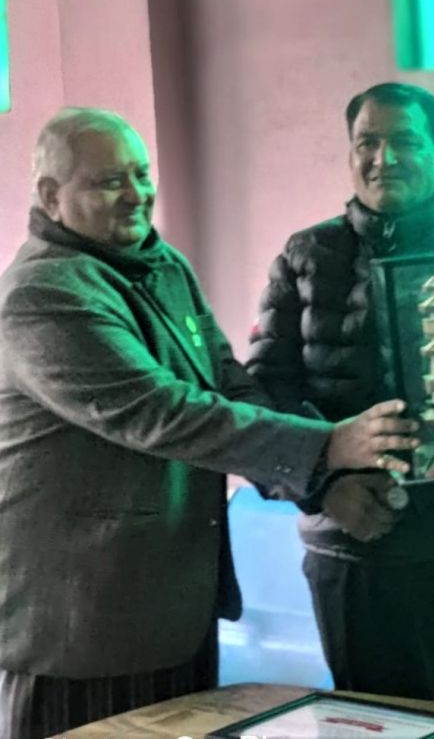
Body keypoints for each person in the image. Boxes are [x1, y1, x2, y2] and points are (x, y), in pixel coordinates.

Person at [0, 107, 411, 738]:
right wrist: (332, 443)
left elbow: (228, 384)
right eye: (109, 181)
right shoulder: (45, 294)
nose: (135, 194)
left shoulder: (162, 266)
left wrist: (321, 482)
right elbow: (162, 413)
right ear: (52, 196)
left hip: (173, 610)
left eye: (140, 174)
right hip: (83, 627)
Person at [247, 82, 434, 708]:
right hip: (346, 542)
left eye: (404, 142)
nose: (383, 158)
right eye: (368, 142)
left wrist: (425, 452)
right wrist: (328, 485)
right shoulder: (307, 256)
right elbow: (264, 398)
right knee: (364, 719)